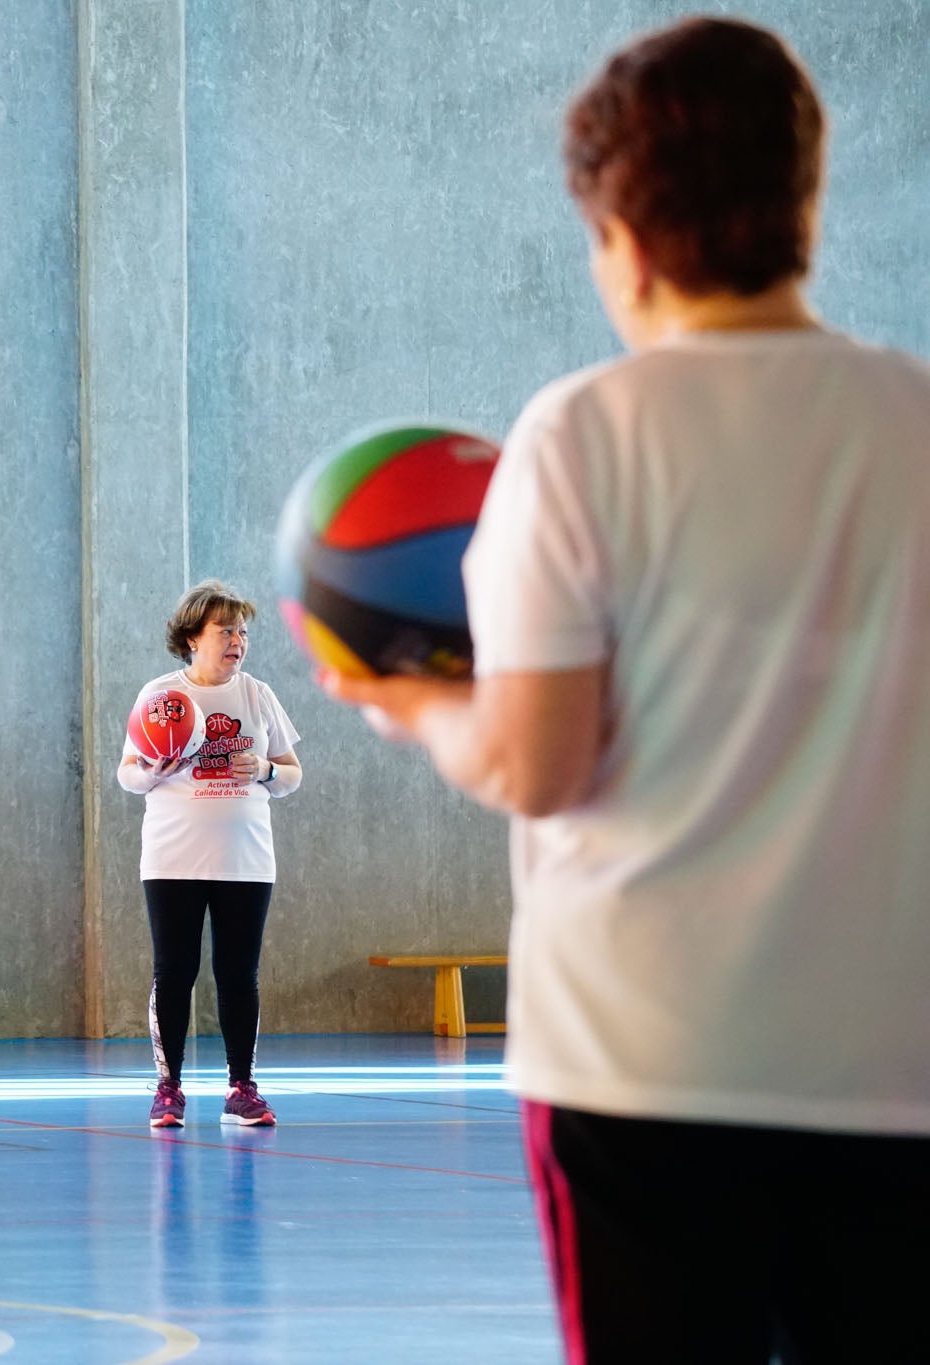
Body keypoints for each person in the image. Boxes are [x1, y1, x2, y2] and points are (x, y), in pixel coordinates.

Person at [321, 17, 930, 1360]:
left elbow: (540, 762)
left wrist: (402, 699)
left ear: (624, 240)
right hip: (894, 1058)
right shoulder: (917, 418)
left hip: (644, 1064)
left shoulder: (582, 432)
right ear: (807, 199)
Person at [118, 582, 301, 1129]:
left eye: (243, 632)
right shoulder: (160, 695)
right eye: (226, 631)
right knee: (174, 971)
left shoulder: (257, 694)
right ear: (193, 636)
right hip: (173, 859)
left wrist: (265, 771)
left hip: (246, 859)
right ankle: (168, 1087)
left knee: (238, 974)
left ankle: (241, 1086)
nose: (237, 641)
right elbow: (127, 774)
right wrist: (152, 770)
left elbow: (292, 774)